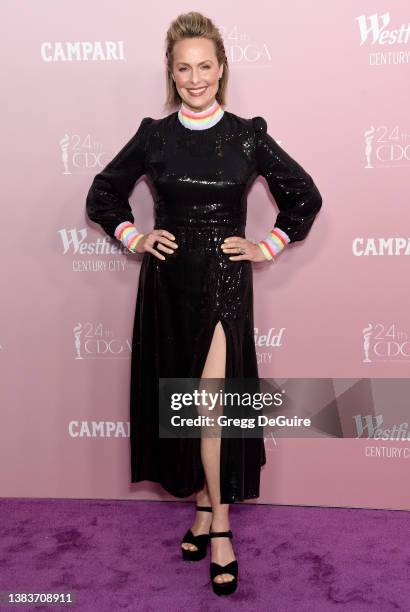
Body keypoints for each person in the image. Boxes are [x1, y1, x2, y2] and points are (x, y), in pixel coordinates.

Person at [86, 10, 322, 597]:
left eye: (205, 67)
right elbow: (103, 194)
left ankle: (220, 527)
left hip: (222, 280)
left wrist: (266, 244)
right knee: (188, 406)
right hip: (167, 284)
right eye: (184, 68)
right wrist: (133, 236)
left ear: (222, 70)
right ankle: (199, 509)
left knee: (212, 407)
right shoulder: (155, 135)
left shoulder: (246, 134)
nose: (195, 78)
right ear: (171, 72)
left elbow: (303, 196)